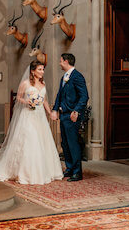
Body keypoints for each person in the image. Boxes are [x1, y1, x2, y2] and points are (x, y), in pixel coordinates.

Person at [0, 61, 63, 185]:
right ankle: (26, 172)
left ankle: (45, 170)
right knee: (30, 140)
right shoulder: (25, 83)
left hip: (40, 116)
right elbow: (18, 98)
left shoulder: (43, 83)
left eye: (43, 69)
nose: (42, 72)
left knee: (42, 141)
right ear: (33, 71)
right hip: (28, 115)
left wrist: (50, 112)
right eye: (40, 69)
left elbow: (44, 100)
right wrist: (27, 102)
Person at [51, 53, 89, 182]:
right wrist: (55, 109)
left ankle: (77, 172)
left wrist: (76, 111)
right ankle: (69, 168)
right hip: (63, 115)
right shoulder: (64, 77)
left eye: (61, 61)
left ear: (66, 61)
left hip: (72, 115)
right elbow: (59, 95)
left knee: (73, 144)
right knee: (65, 143)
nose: (59, 63)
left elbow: (84, 96)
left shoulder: (77, 77)